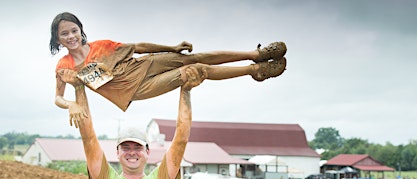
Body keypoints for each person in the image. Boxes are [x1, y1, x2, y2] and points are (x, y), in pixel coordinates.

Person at [51, 12, 287, 113]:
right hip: (134, 89)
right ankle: (255, 70)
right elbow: (58, 97)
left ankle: (254, 54)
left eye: (74, 30)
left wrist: (172, 47)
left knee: (193, 57)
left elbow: (138, 47)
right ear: (58, 39)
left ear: (81, 30)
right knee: (195, 70)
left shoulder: (102, 45)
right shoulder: (65, 66)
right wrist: (70, 104)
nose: (71, 37)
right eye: (65, 34)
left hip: (142, 65)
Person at [66, 62, 205, 179]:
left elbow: (181, 138)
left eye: (137, 147)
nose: (132, 153)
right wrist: (78, 88)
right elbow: (88, 138)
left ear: (147, 151)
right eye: (126, 148)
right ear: (117, 152)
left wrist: (186, 91)